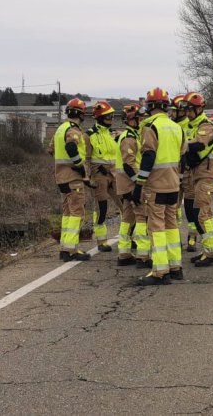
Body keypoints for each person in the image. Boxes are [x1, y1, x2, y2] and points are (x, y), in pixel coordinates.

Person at [132, 87, 185, 285]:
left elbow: (148, 156)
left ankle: (160, 271)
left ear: (150, 106)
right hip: (173, 185)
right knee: (172, 225)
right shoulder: (176, 127)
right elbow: (182, 156)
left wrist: (139, 184)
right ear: (166, 106)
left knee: (156, 227)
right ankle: (175, 266)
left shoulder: (149, 127)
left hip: (155, 186)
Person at [183, 92, 213, 266]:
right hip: (198, 175)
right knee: (198, 213)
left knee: (203, 214)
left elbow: (199, 145)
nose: (187, 113)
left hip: (207, 175)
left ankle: (211, 253)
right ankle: (208, 250)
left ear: (199, 109)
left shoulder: (205, 126)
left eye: (189, 109)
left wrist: (182, 147)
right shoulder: (192, 126)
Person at [52, 98, 91, 261]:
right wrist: (79, 166)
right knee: (77, 212)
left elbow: (51, 149)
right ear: (81, 114)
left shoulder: (60, 129)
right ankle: (71, 250)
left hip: (61, 177)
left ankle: (64, 248)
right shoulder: (73, 130)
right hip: (73, 177)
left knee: (68, 213)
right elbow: (71, 147)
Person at [114, 102, 149, 267]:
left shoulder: (133, 135)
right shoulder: (128, 137)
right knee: (142, 217)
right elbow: (129, 164)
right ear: (132, 120)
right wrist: (139, 182)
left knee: (127, 218)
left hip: (126, 185)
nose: (143, 120)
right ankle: (143, 255)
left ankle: (124, 253)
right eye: (140, 118)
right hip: (131, 184)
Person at [85, 101, 119, 252]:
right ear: (99, 117)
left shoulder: (112, 134)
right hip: (99, 173)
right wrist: (87, 177)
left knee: (126, 204)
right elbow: (86, 158)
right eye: (107, 116)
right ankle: (101, 241)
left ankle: (130, 237)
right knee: (102, 207)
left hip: (115, 172)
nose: (110, 118)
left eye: (111, 116)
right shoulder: (89, 135)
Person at [172, 94, 198, 251]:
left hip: (188, 172)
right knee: (172, 208)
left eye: (174, 111)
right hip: (174, 172)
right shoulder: (171, 127)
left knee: (190, 207)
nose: (171, 114)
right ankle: (175, 239)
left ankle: (192, 237)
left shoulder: (191, 126)